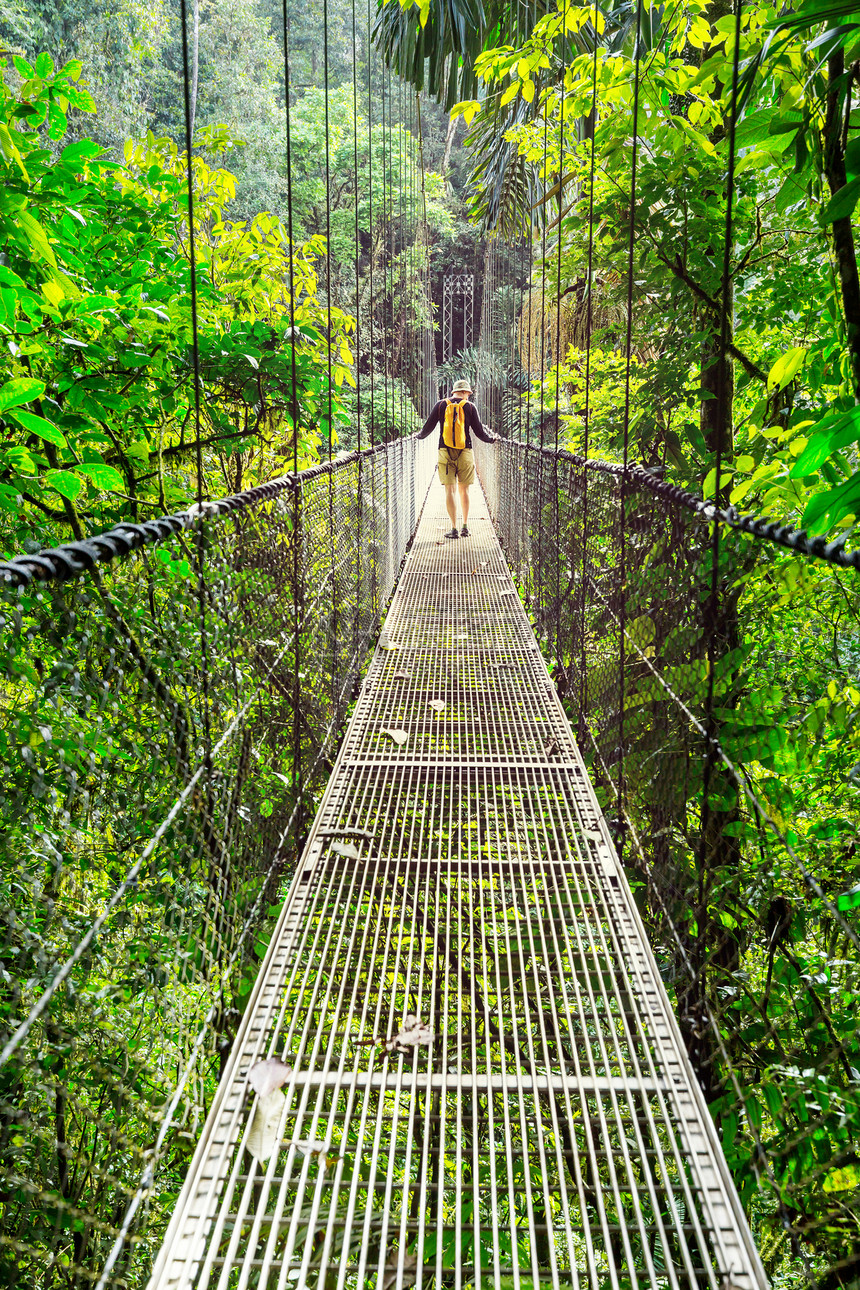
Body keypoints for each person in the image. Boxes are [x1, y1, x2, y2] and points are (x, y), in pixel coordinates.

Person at [417, 379, 499, 538]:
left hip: (444, 451)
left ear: (454, 391)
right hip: (465, 451)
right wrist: (492, 439)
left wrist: (418, 436)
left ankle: (453, 529)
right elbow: (479, 432)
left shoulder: (441, 405)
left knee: (450, 490)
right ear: (466, 393)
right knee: (464, 490)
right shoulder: (470, 407)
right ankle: (465, 527)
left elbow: (428, 427)